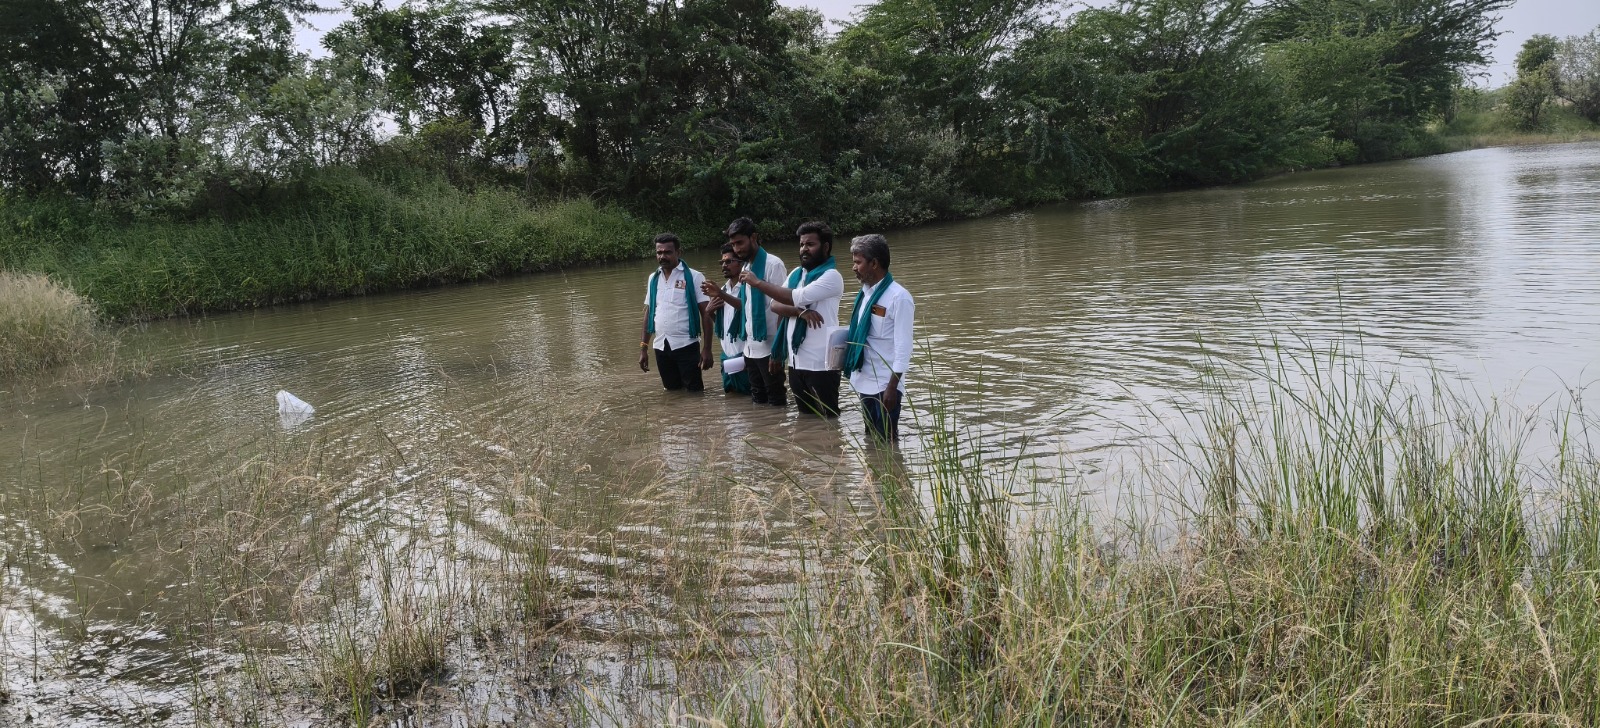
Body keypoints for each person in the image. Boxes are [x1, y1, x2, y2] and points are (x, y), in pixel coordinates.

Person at [740, 221, 844, 416]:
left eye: (810, 244)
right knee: (806, 420)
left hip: (821, 363)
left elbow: (795, 297)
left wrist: (758, 283)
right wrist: (800, 313)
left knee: (829, 421)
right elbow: (775, 304)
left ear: (826, 247)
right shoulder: (797, 273)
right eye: (802, 244)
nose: (804, 249)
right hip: (796, 362)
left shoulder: (832, 276)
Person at [842, 234, 914, 442]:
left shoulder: (898, 297)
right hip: (864, 379)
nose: (854, 267)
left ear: (874, 263)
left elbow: (904, 346)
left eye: (858, 262)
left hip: (885, 384)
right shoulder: (865, 294)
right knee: (871, 438)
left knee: (887, 442)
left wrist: (892, 387)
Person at [727, 217, 789, 407]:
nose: (737, 249)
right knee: (757, 398)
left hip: (770, 345)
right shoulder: (746, 266)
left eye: (740, 243)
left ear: (753, 237)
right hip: (750, 346)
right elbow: (747, 307)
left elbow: (782, 308)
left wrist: (778, 351)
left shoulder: (773, 264)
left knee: (776, 399)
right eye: (733, 244)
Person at [640, 232, 713, 391]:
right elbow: (650, 312)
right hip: (661, 346)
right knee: (671, 392)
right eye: (659, 252)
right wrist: (643, 347)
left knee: (694, 392)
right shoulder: (653, 278)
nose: (662, 256)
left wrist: (707, 348)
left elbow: (706, 313)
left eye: (667, 252)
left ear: (678, 252)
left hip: (686, 345)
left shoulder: (694, 276)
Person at [703, 242, 751, 395]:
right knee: (731, 400)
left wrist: (720, 294)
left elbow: (745, 308)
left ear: (741, 263)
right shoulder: (723, 289)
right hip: (728, 357)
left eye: (729, 261)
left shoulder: (748, 287)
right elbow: (725, 327)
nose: (724, 265)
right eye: (722, 262)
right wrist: (710, 313)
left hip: (745, 356)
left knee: (751, 397)